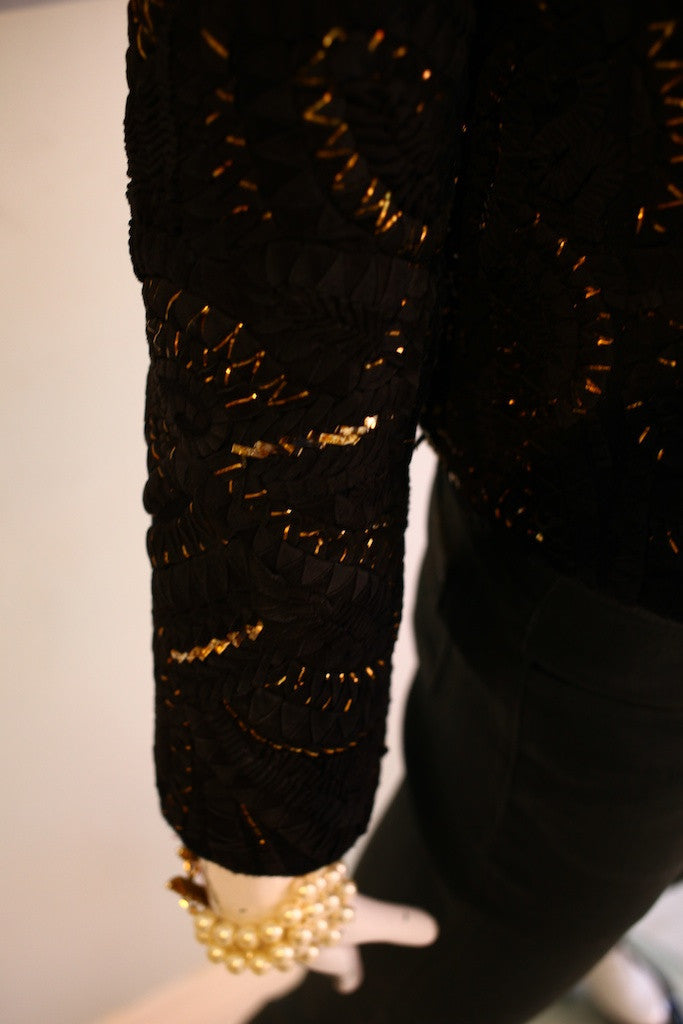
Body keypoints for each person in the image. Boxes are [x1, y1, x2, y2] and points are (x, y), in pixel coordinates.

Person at [123, 1, 683, 1021]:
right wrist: (263, 818)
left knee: (583, 884)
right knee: (446, 958)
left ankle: (589, 931)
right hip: (621, 567)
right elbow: (286, 247)